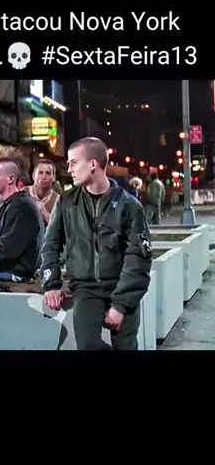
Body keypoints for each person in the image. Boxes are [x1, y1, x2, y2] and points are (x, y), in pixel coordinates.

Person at [41, 137, 152, 351]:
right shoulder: (66, 201)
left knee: (126, 347)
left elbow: (138, 258)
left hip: (121, 285)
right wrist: (51, 283)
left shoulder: (130, 206)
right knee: (88, 345)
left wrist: (120, 305)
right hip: (85, 288)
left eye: (74, 162)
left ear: (93, 164)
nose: (69, 169)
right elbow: (51, 245)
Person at [0, 158, 44, 281]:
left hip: (16, 272)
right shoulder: (11, 205)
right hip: (9, 269)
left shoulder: (20, 207)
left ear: (11, 179)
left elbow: (6, 253)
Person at [25, 159, 60, 227]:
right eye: (40, 173)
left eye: (48, 173)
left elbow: (59, 227)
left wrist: (44, 213)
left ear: (54, 177)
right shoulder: (22, 193)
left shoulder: (58, 200)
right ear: (33, 176)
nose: (44, 177)